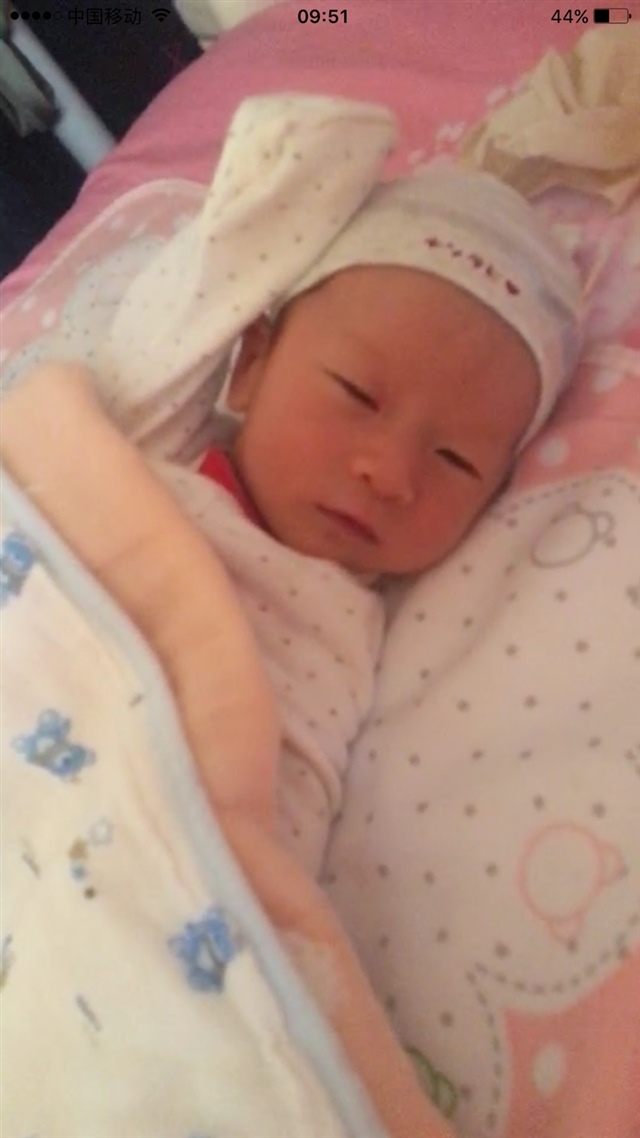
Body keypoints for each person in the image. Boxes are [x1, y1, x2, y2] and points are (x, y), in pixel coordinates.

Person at [0, 164, 582, 1138]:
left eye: (455, 460)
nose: (388, 470)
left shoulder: (357, 620)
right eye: (356, 393)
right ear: (254, 359)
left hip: (167, 866)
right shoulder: (154, 441)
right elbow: (256, 201)